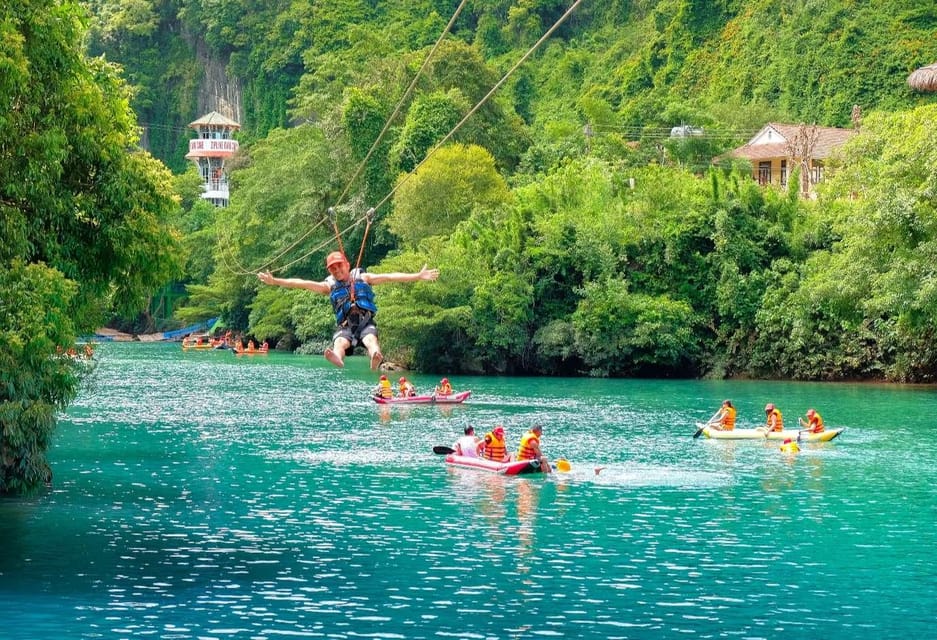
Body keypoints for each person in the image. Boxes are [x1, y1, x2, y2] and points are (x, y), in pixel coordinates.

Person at [257, 251, 439, 370]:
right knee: (340, 343)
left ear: (347, 265)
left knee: (370, 339)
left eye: (339, 266)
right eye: (333, 268)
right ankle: (337, 357)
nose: (337, 271)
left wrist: (417, 276)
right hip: (345, 326)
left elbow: (390, 277)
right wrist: (276, 281)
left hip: (365, 322)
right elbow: (302, 283)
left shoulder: (363, 277)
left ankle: (375, 356)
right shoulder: (329, 285)